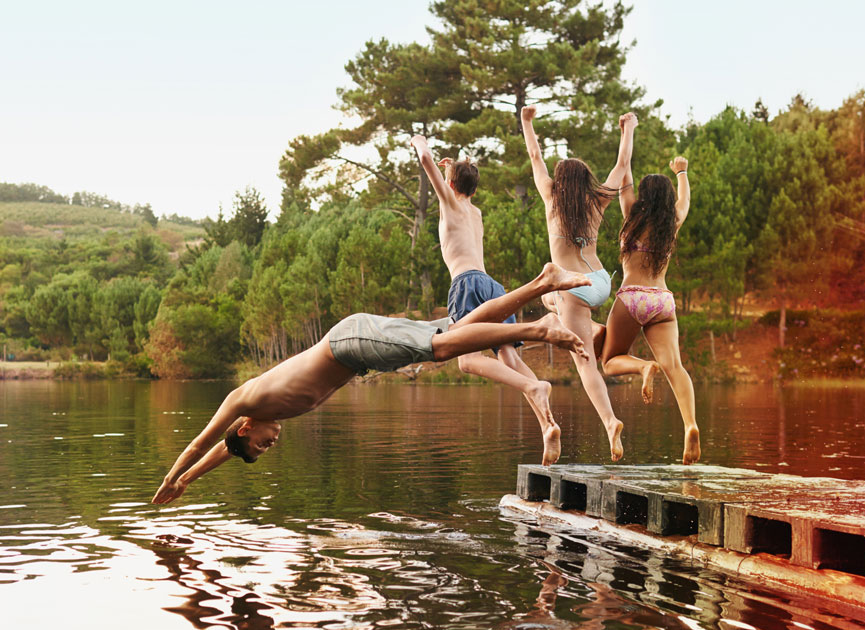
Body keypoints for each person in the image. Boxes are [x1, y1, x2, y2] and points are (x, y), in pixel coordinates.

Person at [152, 263, 591, 505]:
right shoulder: (262, 415)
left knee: (442, 348)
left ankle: (538, 328)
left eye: (262, 445)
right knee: (458, 332)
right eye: (266, 450)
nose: (272, 444)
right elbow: (223, 451)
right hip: (359, 356)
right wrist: (191, 481)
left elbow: (202, 440)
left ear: (246, 427)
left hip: (350, 342)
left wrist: (174, 475)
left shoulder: (244, 399)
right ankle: (541, 284)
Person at [411, 134, 567, 465]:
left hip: (465, 285)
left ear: (450, 186)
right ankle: (547, 424)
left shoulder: (449, 204)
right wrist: (454, 168)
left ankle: (533, 388)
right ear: (474, 189)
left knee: (466, 360)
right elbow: (459, 185)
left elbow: (425, 160)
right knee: (509, 356)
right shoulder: (476, 213)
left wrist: (419, 140)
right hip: (492, 287)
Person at [521, 107, 637, 462]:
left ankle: (610, 422)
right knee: (547, 302)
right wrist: (628, 129)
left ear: (559, 183)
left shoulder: (550, 200)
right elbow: (621, 166)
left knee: (585, 364)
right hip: (600, 282)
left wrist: (527, 122)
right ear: (585, 180)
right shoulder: (597, 201)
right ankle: (592, 327)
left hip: (572, 288)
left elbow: (535, 155)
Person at [600, 155, 700, 464]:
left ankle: (643, 366)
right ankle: (690, 425)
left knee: (610, 361)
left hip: (632, 296)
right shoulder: (673, 221)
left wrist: (626, 146)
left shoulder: (633, 215)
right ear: (668, 199)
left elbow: (623, 184)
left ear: (644, 196)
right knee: (675, 367)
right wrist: (681, 170)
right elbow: (685, 200)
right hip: (662, 300)